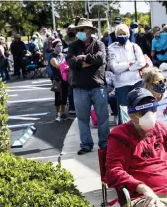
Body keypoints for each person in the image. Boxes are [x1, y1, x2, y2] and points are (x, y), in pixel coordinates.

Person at [66, 18, 109, 155]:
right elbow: (72, 63)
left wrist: (83, 58)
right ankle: (86, 144)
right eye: (78, 29)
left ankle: (105, 143)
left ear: (90, 30)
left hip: (98, 86)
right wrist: (91, 61)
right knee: (82, 119)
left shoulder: (99, 44)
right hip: (80, 88)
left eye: (82, 29)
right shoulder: (73, 46)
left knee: (103, 118)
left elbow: (101, 59)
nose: (80, 32)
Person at [107, 23, 146, 126]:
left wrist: (124, 67)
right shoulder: (112, 48)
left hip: (136, 81)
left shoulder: (135, 47)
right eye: (119, 34)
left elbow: (141, 62)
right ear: (116, 35)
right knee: (124, 111)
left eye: (124, 33)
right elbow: (115, 68)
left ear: (128, 34)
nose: (122, 36)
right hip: (121, 84)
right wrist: (130, 63)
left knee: (139, 109)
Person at [49, 40, 68, 122]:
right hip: (57, 79)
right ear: (54, 47)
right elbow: (57, 66)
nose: (60, 47)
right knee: (58, 96)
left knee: (64, 96)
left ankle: (63, 113)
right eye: (57, 45)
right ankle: (57, 114)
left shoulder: (64, 55)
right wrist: (66, 65)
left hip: (65, 78)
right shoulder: (52, 56)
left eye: (61, 45)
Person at [63, 24, 77, 115]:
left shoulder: (78, 39)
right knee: (70, 88)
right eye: (70, 30)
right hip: (68, 65)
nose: (71, 31)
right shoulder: (64, 40)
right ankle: (71, 106)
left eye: (73, 30)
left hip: (77, 64)